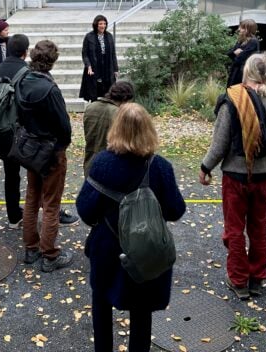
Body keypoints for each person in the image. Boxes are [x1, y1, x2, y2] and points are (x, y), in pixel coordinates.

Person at [76, 103, 186, 352]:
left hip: (107, 247)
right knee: (141, 310)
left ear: (116, 128)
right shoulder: (160, 167)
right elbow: (176, 210)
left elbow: (84, 210)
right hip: (144, 249)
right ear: (149, 129)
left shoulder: (101, 163)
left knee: (101, 303)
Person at [198, 54, 266, 300]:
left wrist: (206, 167)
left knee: (235, 229)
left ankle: (238, 281)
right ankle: (257, 278)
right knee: (259, 227)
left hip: (236, 174)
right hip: (264, 173)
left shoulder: (232, 101)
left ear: (246, 72)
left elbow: (220, 143)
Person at [17, 40, 78, 272]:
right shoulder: (50, 89)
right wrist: (62, 146)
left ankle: (31, 248)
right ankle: (50, 254)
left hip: (31, 149)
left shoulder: (22, 81)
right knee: (51, 203)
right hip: (50, 151)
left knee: (32, 198)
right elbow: (64, 126)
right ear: (52, 61)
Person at [0, 33, 30, 229]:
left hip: (3, 131)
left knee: (11, 175)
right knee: (35, 174)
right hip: (26, 133)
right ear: (25, 52)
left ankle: (13, 216)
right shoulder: (28, 72)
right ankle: (40, 212)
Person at [82, 80, 135, 177]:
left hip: (90, 164)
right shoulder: (119, 113)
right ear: (125, 98)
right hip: (112, 166)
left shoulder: (91, 107)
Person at [79, 14, 119, 102]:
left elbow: (113, 54)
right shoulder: (89, 37)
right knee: (94, 91)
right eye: (100, 24)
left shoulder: (109, 36)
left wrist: (115, 69)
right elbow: (85, 54)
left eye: (104, 24)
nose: (103, 26)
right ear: (96, 24)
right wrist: (88, 66)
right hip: (94, 66)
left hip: (107, 66)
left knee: (108, 90)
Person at [226, 19, 260, 87]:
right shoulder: (241, 41)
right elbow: (229, 53)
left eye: (241, 27)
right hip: (235, 72)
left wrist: (234, 55)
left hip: (243, 75)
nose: (239, 29)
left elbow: (239, 60)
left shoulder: (253, 42)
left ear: (247, 29)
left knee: (238, 94)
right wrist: (234, 53)